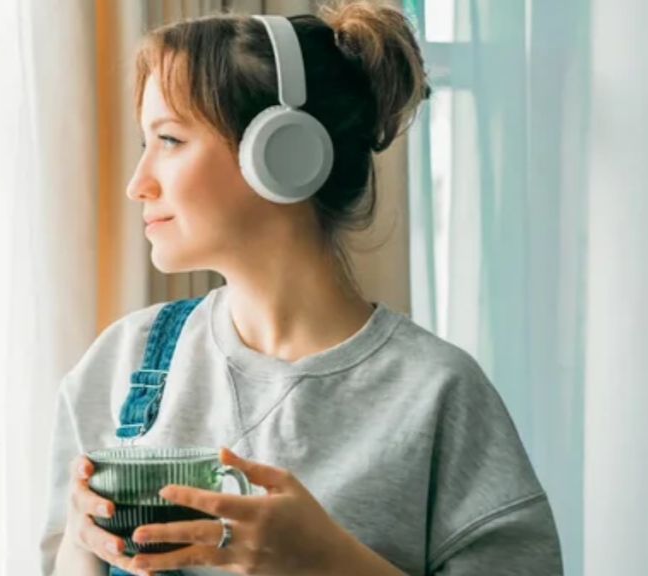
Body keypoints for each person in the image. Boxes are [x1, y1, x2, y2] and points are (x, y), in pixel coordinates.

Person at [39, 2, 563, 575]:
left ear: (281, 153)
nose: (138, 184)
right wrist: (83, 542)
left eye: (169, 140)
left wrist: (327, 561)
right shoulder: (120, 363)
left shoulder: (437, 394)